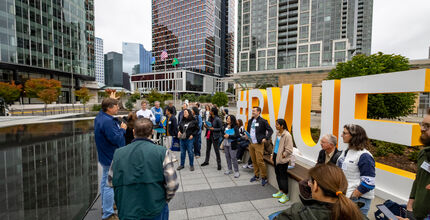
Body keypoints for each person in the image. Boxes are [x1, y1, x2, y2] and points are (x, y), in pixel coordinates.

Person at [108, 118, 179, 220]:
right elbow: (172, 184)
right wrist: (164, 200)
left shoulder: (118, 153)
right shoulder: (162, 152)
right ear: (152, 132)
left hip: (127, 209)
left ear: (133, 132)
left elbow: (110, 182)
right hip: (155, 208)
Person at [275, 164, 366, 220]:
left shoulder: (297, 212)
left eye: (310, 181)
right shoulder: (357, 214)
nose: (309, 184)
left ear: (315, 186)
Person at [94, 98, 127, 220]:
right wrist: (122, 129)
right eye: (116, 106)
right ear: (109, 108)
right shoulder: (108, 121)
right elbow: (116, 139)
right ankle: (108, 214)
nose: (118, 108)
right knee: (109, 184)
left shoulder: (100, 117)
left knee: (104, 182)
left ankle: (106, 205)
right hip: (111, 156)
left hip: (104, 155)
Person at [336, 124, 375, 216]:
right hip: (345, 197)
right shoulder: (348, 151)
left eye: (344, 133)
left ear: (354, 136)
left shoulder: (365, 156)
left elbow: (369, 183)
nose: (341, 135)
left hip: (358, 201)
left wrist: (353, 197)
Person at [299, 134, 343, 199]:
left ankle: (315, 203)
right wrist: (311, 179)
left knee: (318, 188)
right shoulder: (322, 152)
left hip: (330, 182)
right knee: (302, 184)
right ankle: (310, 203)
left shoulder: (339, 157)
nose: (320, 143)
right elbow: (317, 167)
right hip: (319, 179)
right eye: (321, 141)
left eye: (323, 142)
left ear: (331, 145)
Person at [405, 109, 430, 220]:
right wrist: (410, 204)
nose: (421, 129)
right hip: (416, 213)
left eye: (427, 126)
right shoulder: (423, 153)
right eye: (422, 125)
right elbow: (418, 179)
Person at [246, 106, 273, 186]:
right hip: (251, 143)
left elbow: (271, 130)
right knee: (254, 161)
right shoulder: (251, 120)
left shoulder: (263, 121)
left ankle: (264, 177)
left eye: (254, 111)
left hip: (259, 144)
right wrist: (247, 135)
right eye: (252, 111)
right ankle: (256, 175)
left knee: (260, 161)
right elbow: (248, 130)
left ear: (259, 112)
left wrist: (266, 138)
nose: (253, 112)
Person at [271, 119, 293, 204]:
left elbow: (289, 149)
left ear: (282, 126)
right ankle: (281, 191)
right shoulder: (278, 133)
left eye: (277, 124)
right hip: (276, 156)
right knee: (278, 175)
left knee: (283, 177)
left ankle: (286, 195)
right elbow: (275, 145)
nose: (275, 126)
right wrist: (272, 155)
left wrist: (283, 155)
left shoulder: (287, 135)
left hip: (282, 158)